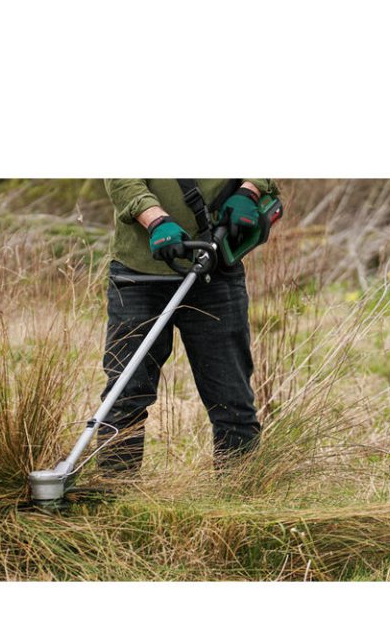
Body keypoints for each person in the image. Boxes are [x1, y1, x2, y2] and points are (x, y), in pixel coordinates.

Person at [99, 179, 279, 475]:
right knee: (125, 394)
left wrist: (249, 191)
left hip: (216, 269)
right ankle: (112, 492)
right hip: (139, 274)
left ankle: (242, 491)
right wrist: (156, 220)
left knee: (231, 398)